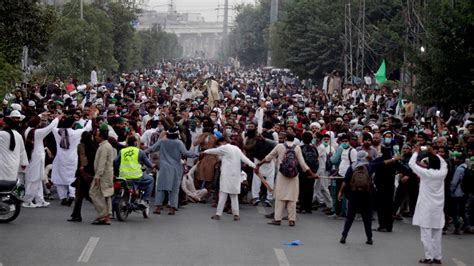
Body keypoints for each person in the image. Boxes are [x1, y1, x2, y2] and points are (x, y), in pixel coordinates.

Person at [257, 133, 317, 226]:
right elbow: (302, 164)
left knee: (280, 198)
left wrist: (259, 165)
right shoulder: (297, 148)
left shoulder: (280, 146)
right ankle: (292, 220)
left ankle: (277, 219)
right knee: (292, 198)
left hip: (282, 175)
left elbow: (269, 157)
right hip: (294, 175)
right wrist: (313, 174)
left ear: (285, 138)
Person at [409, 143, 448, 265]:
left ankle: (429, 257)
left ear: (429, 164)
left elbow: (411, 164)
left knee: (426, 234)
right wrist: (433, 153)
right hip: (438, 208)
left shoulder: (426, 174)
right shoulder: (442, 173)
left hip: (426, 208)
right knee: (437, 233)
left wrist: (416, 151)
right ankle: (437, 256)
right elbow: (443, 163)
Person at [205, 137, 256, 221]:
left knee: (223, 195)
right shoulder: (237, 149)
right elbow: (245, 159)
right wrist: (254, 166)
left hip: (226, 175)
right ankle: (236, 215)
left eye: (219, 144)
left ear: (222, 142)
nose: (219, 147)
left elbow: (214, 150)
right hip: (235, 176)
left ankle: (218, 214)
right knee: (234, 195)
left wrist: (204, 152)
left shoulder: (225, 147)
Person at [148, 127, 196, 215]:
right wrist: (197, 154)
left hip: (164, 168)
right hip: (176, 168)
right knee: (174, 189)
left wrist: (141, 151)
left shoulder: (162, 141)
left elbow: (151, 149)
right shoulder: (179, 143)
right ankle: (172, 208)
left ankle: (158, 207)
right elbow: (186, 153)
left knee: (161, 187)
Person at [22, 113, 61, 208]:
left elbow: (34, 120)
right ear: (37, 124)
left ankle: (40, 200)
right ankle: (27, 201)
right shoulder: (37, 133)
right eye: (40, 121)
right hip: (36, 158)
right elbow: (50, 128)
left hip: (34, 157)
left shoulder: (28, 130)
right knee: (34, 179)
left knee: (38, 178)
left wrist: (41, 114)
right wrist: (57, 119)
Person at [52, 116, 92, 206]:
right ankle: (72, 195)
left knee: (59, 178)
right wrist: (90, 120)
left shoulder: (57, 132)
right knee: (71, 177)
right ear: (72, 124)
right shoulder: (77, 133)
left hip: (60, 159)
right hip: (72, 159)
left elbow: (52, 126)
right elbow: (87, 128)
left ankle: (62, 197)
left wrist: (57, 118)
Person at [338, 151, 373, 245]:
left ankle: (344, 236)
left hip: (354, 195)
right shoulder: (369, 166)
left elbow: (345, 181)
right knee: (367, 218)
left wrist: (340, 192)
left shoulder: (352, 166)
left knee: (350, 217)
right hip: (366, 195)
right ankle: (369, 238)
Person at [115, 136, 154, 208]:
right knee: (151, 180)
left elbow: (116, 162)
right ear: (135, 143)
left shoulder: (122, 151)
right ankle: (144, 200)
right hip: (136, 177)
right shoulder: (140, 152)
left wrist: (118, 170)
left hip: (123, 176)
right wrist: (153, 166)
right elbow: (148, 164)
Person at [68, 131, 97, 222]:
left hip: (83, 174)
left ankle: (76, 215)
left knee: (80, 195)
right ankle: (76, 214)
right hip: (91, 173)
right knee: (88, 195)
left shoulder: (82, 146)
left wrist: (82, 168)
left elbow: (82, 158)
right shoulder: (94, 146)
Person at [90, 126, 116, 225]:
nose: (95, 137)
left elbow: (102, 162)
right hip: (106, 174)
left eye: (97, 136)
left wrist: (98, 176)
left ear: (101, 137)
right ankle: (107, 215)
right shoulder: (105, 145)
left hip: (103, 175)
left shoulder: (105, 147)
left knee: (94, 193)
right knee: (106, 195)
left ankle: (103, 214)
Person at [0, 116, 28, 183]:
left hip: (3, 163)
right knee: (12, 182)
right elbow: (22, 150)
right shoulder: (18, 135)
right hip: (15, 163)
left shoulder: (1, 134)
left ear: (6, 124)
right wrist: (23, 163)